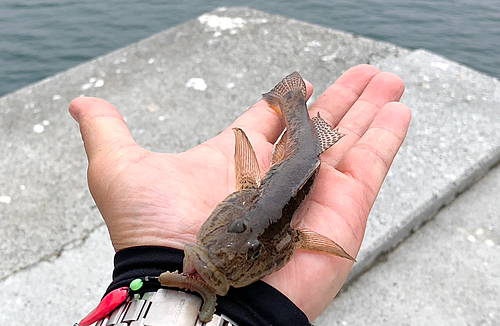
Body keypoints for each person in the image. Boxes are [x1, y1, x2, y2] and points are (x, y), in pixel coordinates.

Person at [69, 64, 411, 325]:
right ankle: (291, 100)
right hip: (297, 161)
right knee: (306, 149)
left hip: (299, 162)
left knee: (308, 149)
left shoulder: (262, 210)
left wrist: (147, 265)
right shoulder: (256, 211)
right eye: (237, 231)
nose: (222, 259)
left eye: (251, 253)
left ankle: (291, 100)